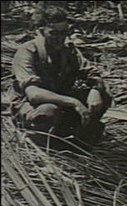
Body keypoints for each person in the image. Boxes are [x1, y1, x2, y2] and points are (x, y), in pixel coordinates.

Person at [10, 4, 111, 147]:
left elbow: (93, 73)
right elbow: (33, 94)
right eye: (54, 33)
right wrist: (74, 102)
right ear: (41, 31)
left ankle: (76, 134)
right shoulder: (27, 52)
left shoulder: (68, 50)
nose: (60, 38)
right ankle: (38, 142)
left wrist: (95, 90)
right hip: (32, 105)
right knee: (48, 111)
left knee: (104, 95)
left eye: (64, 33)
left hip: (60, 100)